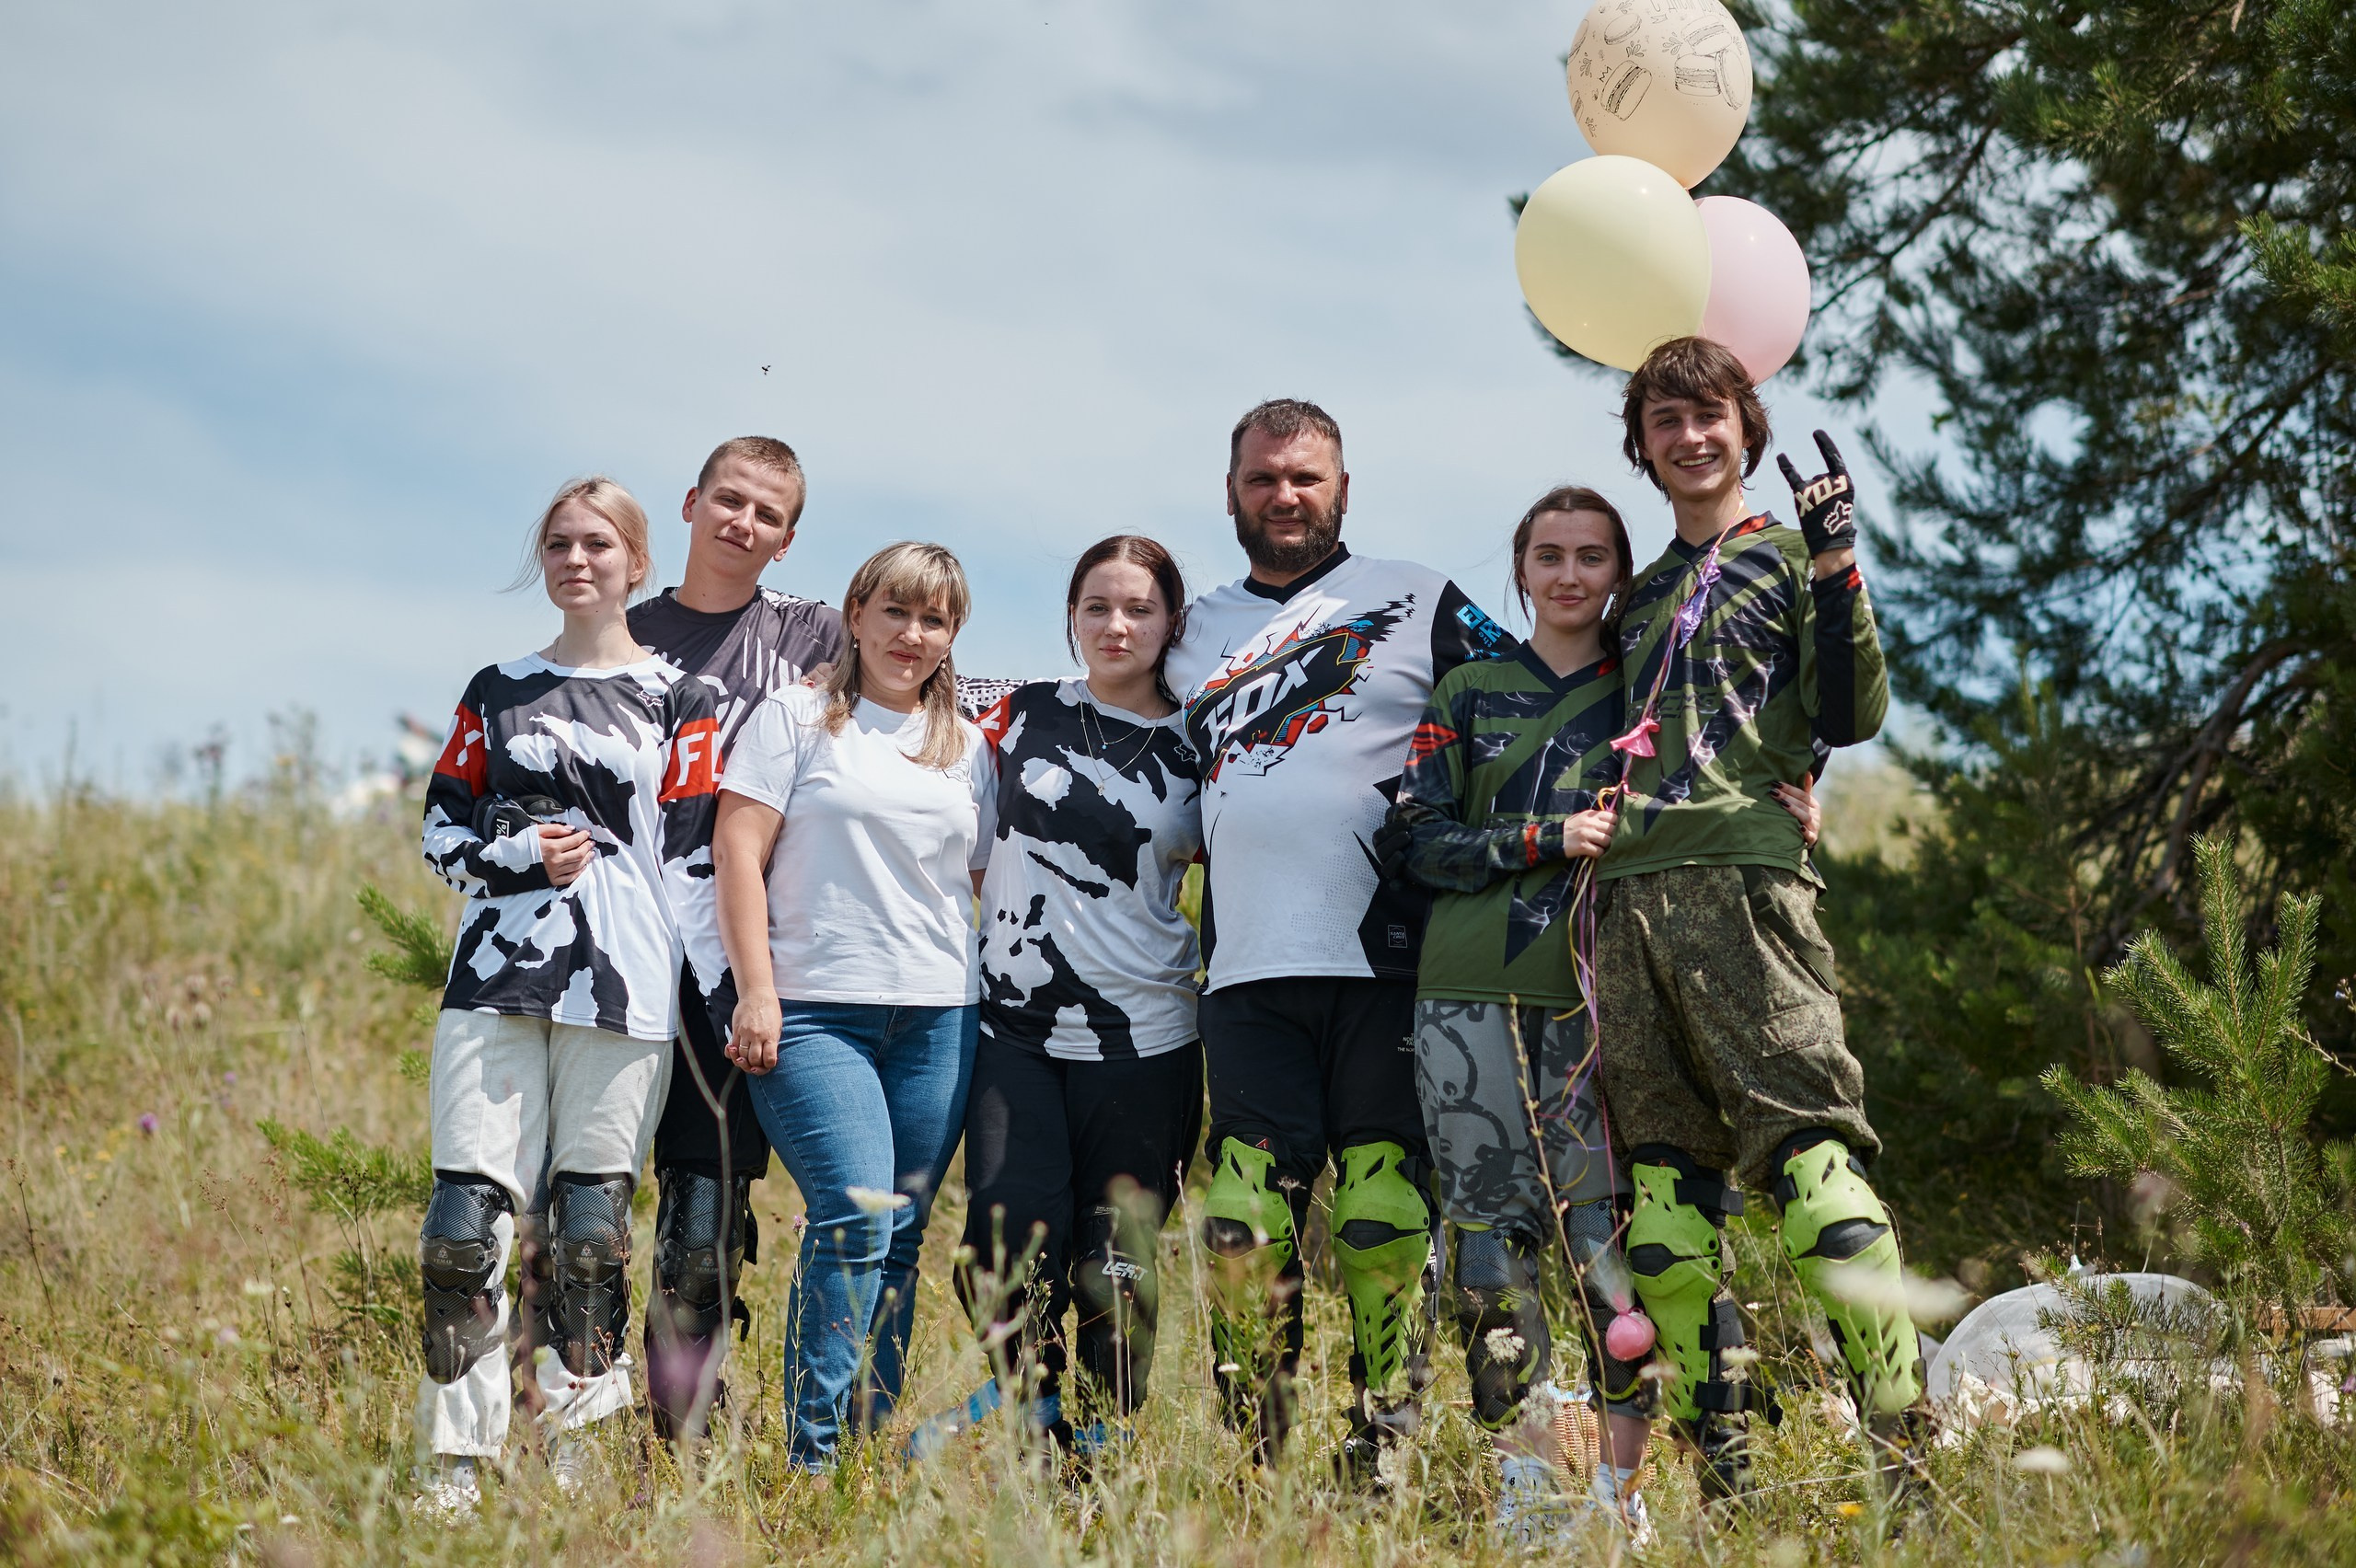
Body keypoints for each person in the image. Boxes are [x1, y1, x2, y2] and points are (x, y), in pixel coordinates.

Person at [1383, 486, 1819, 1543]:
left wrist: (1802, 790)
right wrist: (1539, 839)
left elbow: (1743, 757)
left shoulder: (1648, 692)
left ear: (1619, 575)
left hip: (1607, 996)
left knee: (1613, 1259)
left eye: (1591, 557)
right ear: (1521, 571)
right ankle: (1524, 1491)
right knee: (1490, 1256)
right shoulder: (1470, 688)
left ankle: (1632, 1498)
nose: (1570, 575)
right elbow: (1415, 837)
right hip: (1469, 998)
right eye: (1548, 555)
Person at [1597, 335, 1926, 1505]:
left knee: (1820, 1188)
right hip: (1625, 909)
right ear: (1640, 446)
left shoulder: (1790, 559)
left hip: (1747, 886)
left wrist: (1839, 562)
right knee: (1665, 1224)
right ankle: (1728, 1497)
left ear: (1748, 424)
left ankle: (1903, 1465)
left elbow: (1853, 710)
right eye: (1665, 420)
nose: (1690, 437)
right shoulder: (1626, 601)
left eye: (1709, 414)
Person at [1164, 398, 1512, 1475]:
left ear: (1343, 490)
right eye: (1264, 478)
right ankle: (1258, 1455)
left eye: (1306, 478)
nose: (1285, 496)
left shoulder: (1416, 596)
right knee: (1238, 1223)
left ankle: (1383, 1444)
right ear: (1231, 493)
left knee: (1379, 1215)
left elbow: (1542, 688)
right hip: (1245, 969)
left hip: (1387, 960)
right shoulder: (1188, 631)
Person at [412, 477, 721, 1513]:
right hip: (493, 985)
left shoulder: (683, 698)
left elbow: (695, 862)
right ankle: (454, 1473)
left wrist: (724, 1002)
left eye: (598, 543)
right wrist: (513, 856)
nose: (576, 559)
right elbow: (438, 836)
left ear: (637, 561)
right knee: (465, 1230)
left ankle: (582, 1470)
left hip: (625, 987)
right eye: (558, 542)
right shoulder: (495, 688)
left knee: (592, 1235)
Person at [914, 536, 1206, 1461]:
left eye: (1139, 610)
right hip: (1013, 1035)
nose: (1116, 627)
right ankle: (1036, 1427)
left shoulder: (1200, 744)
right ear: (1071, 617)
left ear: (1171, 623)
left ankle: (1108, 1446)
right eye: (1096, 608)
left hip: (1148, 1040)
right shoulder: (1015, 713)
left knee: (1113, 1270)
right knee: (1000, 1255)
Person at [710, 540, 997, 1470]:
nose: (912, 637)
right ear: (857, 612)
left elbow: (984, 881)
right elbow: (737, 855)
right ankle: (814, 1456)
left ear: (953, 635)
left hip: (938, 1016)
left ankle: (863, 1451)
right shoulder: (794, 718)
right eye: (897, 613)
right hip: (815, 1012)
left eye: (935, 620)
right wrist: (758, 989)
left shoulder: (967, 747)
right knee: (856, 1212)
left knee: (902, 1235)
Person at [626, 436, 842, 1441]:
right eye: (727, 500)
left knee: (705, 1220)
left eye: (765, 512)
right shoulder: (618, 639)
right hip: (617, 957)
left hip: (741, 962)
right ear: (690, 502)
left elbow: (933, 691)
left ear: (787, 539)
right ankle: (567, 1424)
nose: (741, 522)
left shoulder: (817, 637)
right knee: (578, 1214)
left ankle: (686, 1432)